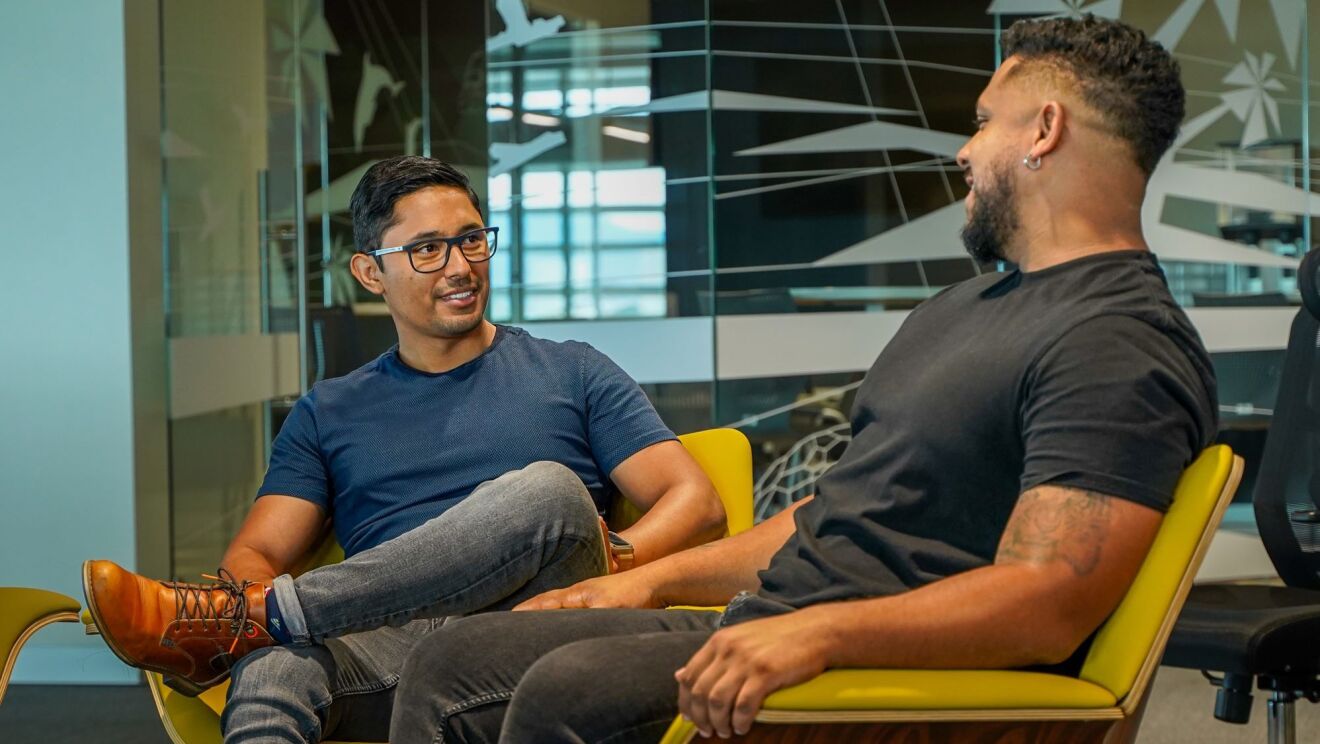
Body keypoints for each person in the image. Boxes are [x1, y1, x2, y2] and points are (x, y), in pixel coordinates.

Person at [386, 14, 1219, 744]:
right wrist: (642, 581)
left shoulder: (1117, 339)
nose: (965, 151)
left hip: (873, 676)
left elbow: (1049, 602)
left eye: (982, 123)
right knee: (454, 654)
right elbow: (831, 519)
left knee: (571, 696)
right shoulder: (959, 309)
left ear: (1044, 129)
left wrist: (816, 636)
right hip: (778, 622)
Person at [81, 156, 727, 744]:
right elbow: (255, 551)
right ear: (370, 272)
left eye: (471, 240)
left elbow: (696, 502)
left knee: (550, 491)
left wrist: (621, 562)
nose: (459, 266)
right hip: (392, 640)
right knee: (273, 667)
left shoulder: (572, 371)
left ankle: (253, 617)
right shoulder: (329, 411)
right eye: (426, 249)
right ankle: (263, 625)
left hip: (539, 624)